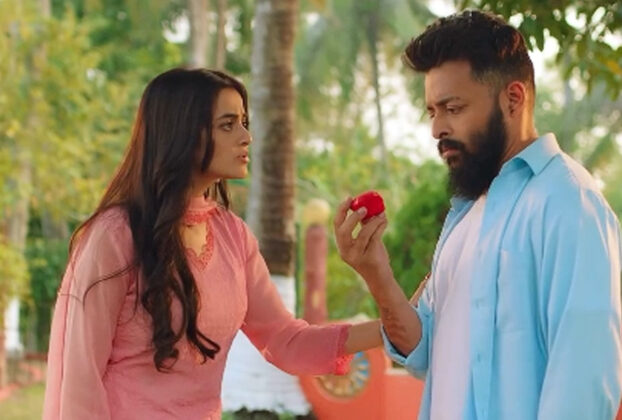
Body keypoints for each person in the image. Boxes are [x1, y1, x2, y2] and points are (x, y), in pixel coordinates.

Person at [42, 68, 382, 420]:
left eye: (244, 123)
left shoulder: (233, 236)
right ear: (183, 132)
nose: (246, 136)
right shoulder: (115, 236)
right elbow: (79, 378)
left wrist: (391, 329)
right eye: (228, 124)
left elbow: (285, 340)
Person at [334, 10, 622, 420]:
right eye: (431, 112)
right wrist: (376, 273)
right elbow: (421, 350)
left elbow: (584, 383)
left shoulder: (568, 202)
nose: (437, 129)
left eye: (452, 108)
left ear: (513, 98)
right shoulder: (465, 214)